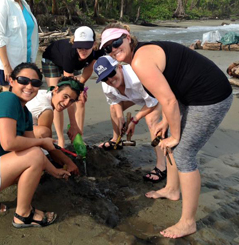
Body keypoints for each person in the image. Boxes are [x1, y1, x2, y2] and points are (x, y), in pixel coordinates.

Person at [99, 23, 233, 238]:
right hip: (189, 95)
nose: (113, 50)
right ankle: (172, 189)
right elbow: (170, 90)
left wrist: (176, 134)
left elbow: (168, 100)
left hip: (210, 97)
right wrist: (166, 125)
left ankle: (188, 222)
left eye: (116, 43)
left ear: (127, 36)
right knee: (167, 140)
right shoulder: (138, 55)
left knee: (183, 153)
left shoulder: (140, 61)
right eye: (107, 49)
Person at [0, 63, 72, 228]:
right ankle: (23, 215)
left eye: (36, 83)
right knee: (35, 158)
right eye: (23, 80)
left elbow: (32, 148)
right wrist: (42, 142)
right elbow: (9, 143)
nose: (29, 86)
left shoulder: (24, 113)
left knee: (35, 162)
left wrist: (54, 171)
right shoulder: (7, 99)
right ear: (11, 81)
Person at [93, 55, 166, 182]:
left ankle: (161, 166)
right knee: (114, 111)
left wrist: (134, 120)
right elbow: (114, 101)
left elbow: (152, 102)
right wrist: (121, 117)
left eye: (111, 73)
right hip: (136, 95)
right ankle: (116, 140)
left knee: (151, 120)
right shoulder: (107, 85)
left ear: (119, 67)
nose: (110, 79)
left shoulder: (137, 78)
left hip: (158, 94)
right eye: (105, 78)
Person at [41, 26, 104, 148]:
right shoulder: (70, 53)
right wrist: (72, 124)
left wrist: (81, 87)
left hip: (73, 65)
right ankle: (61, 139)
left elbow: (89, 68)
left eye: (87, 47)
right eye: (79, 47)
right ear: (74, 43)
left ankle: (78, 136)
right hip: (51, 60)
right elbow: (68, 93)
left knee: (80, 100)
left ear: (94, 44)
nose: (83, 50)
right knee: (58, 100)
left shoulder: (98, 51)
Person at [26, 76, 86, 174]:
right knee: (44, 133)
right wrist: (69, 163)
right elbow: (48, 144)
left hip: (20, 129)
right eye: (65, 97)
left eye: (71, 101)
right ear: (56, 90)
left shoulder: (44, 93)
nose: (66, 103)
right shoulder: (46, 110)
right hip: (14, 135)